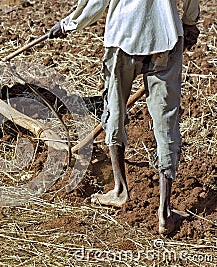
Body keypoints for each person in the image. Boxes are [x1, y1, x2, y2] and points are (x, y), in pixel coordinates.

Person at [49, 0, 200, 234]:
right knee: (166, 120)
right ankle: (165, 212)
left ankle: (120, 190)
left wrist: (69, 24)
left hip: (122, 37)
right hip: (166, 36)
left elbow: (97, 2)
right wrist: (189, 23)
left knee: (115, 111)